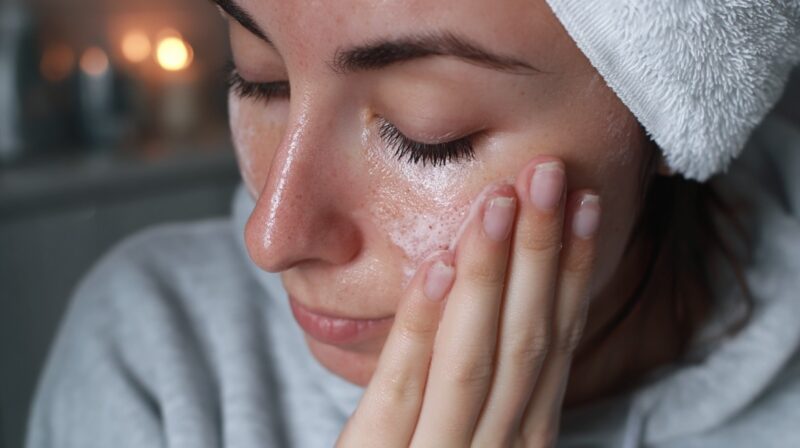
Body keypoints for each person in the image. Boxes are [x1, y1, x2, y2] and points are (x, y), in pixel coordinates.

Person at [26, 0, 800, 446]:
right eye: (257, 78)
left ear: (666, 126)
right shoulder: (155, 362)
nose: (273, 234)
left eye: (426, 134)